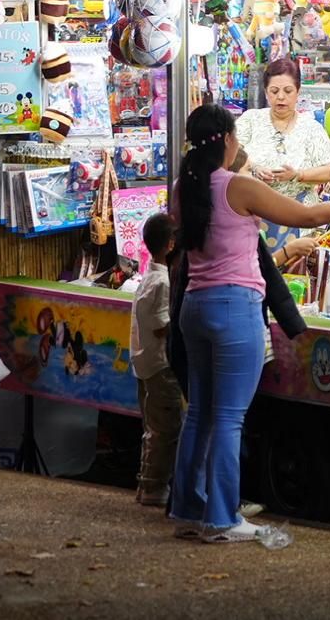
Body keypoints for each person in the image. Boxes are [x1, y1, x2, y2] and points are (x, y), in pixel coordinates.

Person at [170, 103, 330, 543]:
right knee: (229, 418)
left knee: (200, 415)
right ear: (229, 141)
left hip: (194, 307)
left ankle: (190, 509)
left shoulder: (181, 187)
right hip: (235, 308)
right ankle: (223, 518)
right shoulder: (237, 187)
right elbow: (306, 216)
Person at [233, 58, 330, 254]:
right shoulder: (250, 120)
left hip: (298, 218)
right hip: (252, 217)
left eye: (288, 91)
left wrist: (297, 175)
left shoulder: (311, 128)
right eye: (274, 91)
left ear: (298, 92)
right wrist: (254, 168)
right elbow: (230, 156)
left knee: (292, 280)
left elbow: (328, 171)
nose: (281, 97)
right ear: (266, 92)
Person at [132, 213, 183, 508]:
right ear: (171, 244)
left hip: (146, 364)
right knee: (166, 428)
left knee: (153, 428)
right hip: (160, 366)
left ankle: (147, 482)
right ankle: (153, 487)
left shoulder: (149, 276)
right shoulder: (162, 282)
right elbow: (162, 325)